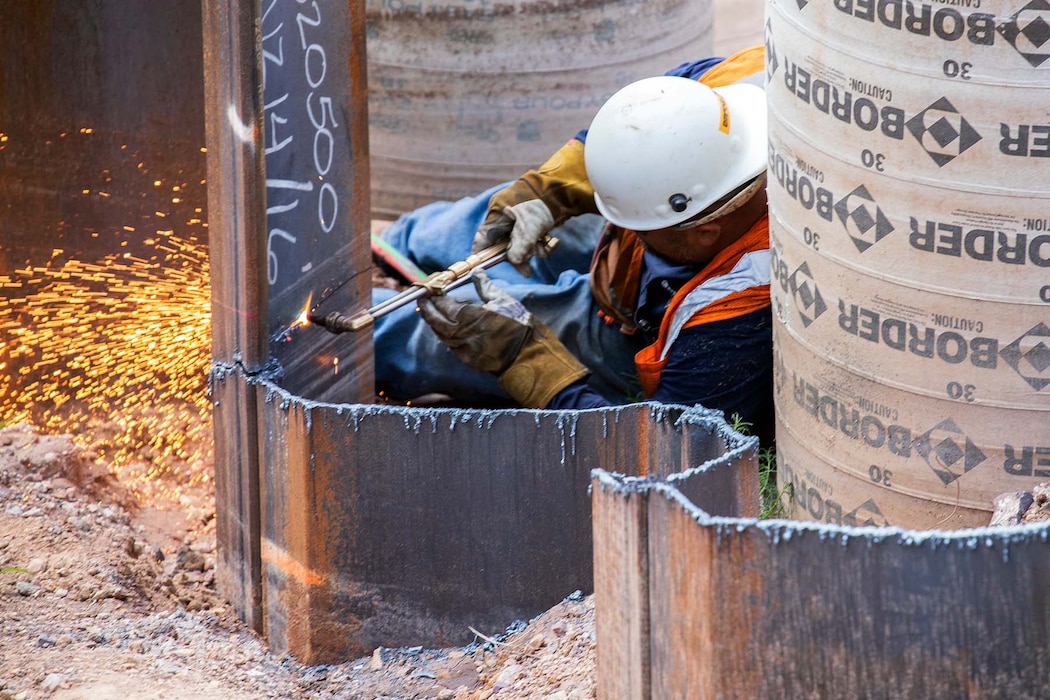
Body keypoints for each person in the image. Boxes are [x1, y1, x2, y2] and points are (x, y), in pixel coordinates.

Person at [372, 45, 774, 446]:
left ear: (705, 230)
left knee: (437, 332)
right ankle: (388, 249)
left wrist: (525, 359)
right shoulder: (740, 83)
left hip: (644, 331)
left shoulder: (737, 324)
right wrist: (546, 192)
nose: (615, 226)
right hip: (657, 255)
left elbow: (657, 454)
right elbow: (637, 125)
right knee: (488, 221)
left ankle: (359, 327)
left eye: (639, 228)